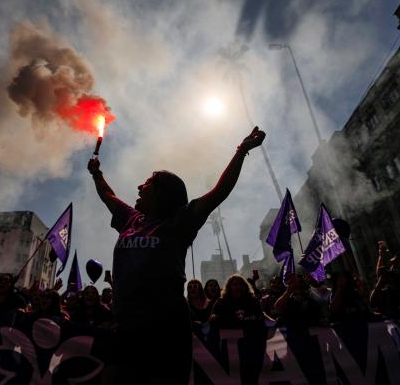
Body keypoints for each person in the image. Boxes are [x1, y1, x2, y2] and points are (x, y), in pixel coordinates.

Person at [87, 126, 266, 384]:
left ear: (163, 193)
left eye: (147, 183)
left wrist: (242, 150)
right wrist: (96, 174)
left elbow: (219, 192)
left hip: (166, 330)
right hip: (127, 329)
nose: (139, 186)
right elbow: (107, 195)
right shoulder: (130, 219)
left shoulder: (180, 222)